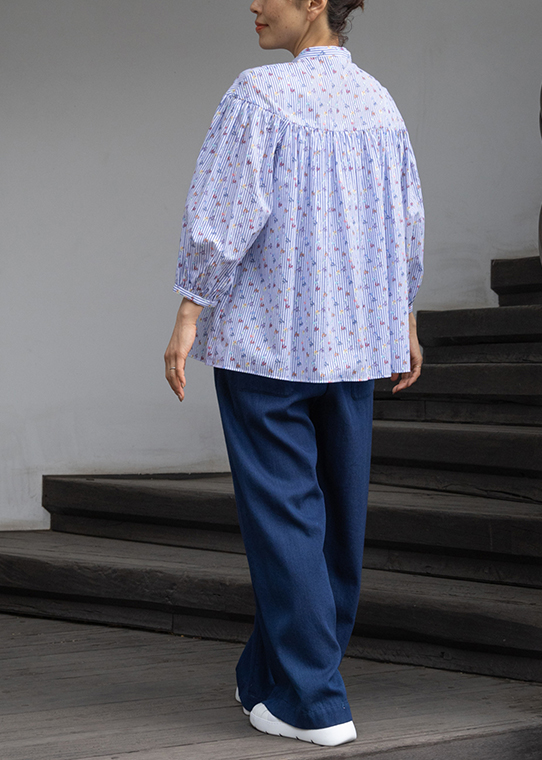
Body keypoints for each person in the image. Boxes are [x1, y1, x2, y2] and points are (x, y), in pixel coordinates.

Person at [164, 0, 424, 747]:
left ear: (315, 2)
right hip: (355, 345)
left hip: (267, 345)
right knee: (334, 523)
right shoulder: (379, 103)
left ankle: (315, 703)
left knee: (287, 524)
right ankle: (270, 679)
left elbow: (224, 210)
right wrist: (404, 316)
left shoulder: (259, 95)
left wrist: (189, 310)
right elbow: (405, 220)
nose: (253, 3)